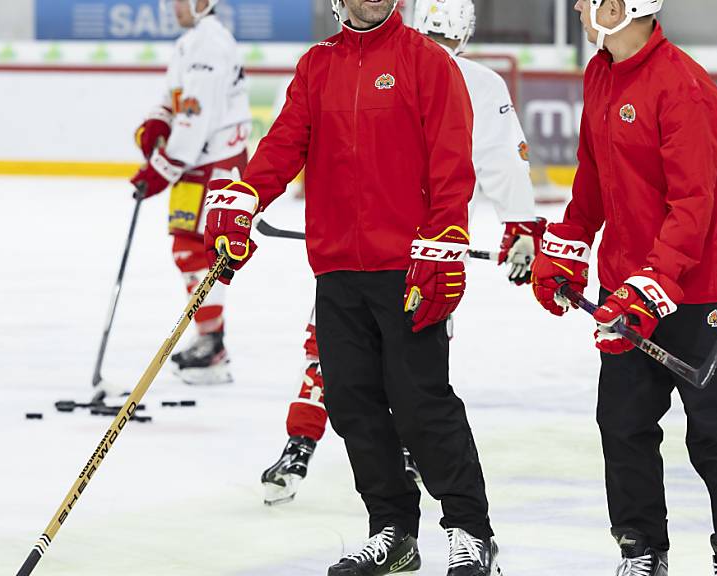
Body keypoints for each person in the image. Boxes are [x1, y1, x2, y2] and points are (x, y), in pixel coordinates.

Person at [202, 1, 500, 574]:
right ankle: (392, 531)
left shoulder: (426, 61)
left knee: (421, 405)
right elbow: (285, 144)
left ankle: (469, 529)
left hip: (408, 268)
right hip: (337, 268)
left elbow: (449, 161)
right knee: (352, 405)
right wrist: (244, 197)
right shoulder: (317, 66)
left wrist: (446, 239)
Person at [259, 0, 544, 512]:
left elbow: (492, 162)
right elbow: (295, 141)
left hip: (425, 257)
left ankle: (460, 519)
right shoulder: (342, 63)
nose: (444, 47)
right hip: (351, 258)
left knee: (416, 389)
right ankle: (360, 480)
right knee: (346, 372)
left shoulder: (461, 77)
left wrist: (519, 227)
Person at [530, 1, 717, 574]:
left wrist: (651, 284)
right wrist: (569, 242)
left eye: (589, 0)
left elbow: (693, 207)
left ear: (621, 6)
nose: (580, 8)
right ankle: (641, 550)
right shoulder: (602, 71)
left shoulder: (684, 89)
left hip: (693, 293)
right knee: (623, 424)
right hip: (627, 290)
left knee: (715, 430)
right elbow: (593, 174)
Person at [130, 0, 251, 385]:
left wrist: (164, 165)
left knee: (201, 250)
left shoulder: (211, 43)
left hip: (215, 161)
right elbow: (177, 98)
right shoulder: (191, 42)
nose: (173, 6)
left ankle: (212, 345)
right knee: (186, 247)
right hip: (196, 161)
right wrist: (157, 120)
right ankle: (208, 339)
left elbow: (197, 116)